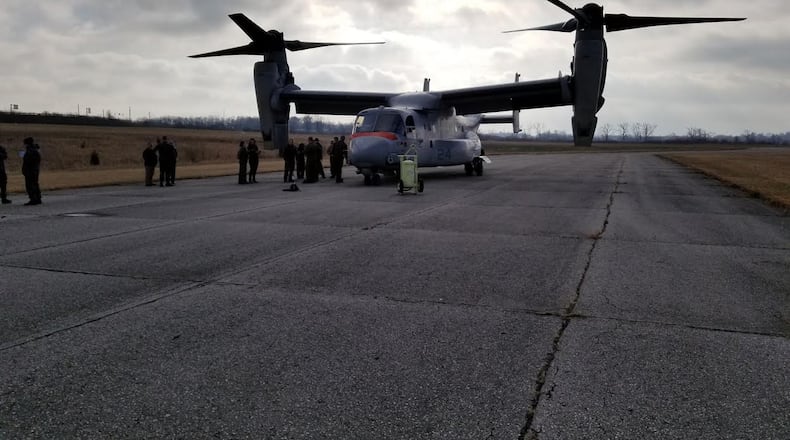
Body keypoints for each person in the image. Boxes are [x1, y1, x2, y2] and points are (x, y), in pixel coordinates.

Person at [21, 137, 41, 205]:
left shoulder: (30, 151)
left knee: (30, 185)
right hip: (35, 170)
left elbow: (27, 161)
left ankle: (33, 199)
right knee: (35, 184)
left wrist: (25, 169)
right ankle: (38, 198)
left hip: (30, 170)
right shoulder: (36, 149)